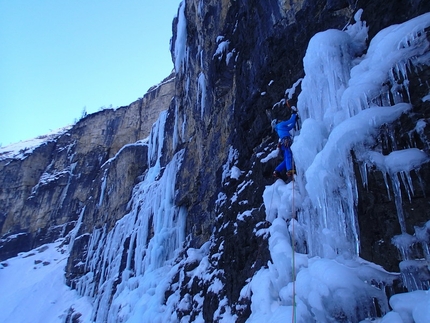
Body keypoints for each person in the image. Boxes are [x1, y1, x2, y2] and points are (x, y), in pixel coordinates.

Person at [272, 112, 298, 180]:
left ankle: (277, 170)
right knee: (289, 154)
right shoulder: (280, 124)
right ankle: (289, 170)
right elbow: (290, 121)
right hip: (286, 140)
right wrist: (294, 115)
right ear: (277, 122)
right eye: (278, 120)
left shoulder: (279, 128)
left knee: (286, 157)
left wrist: (295, 120)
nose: (280, 120)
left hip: (283, 142)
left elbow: (290, 126)